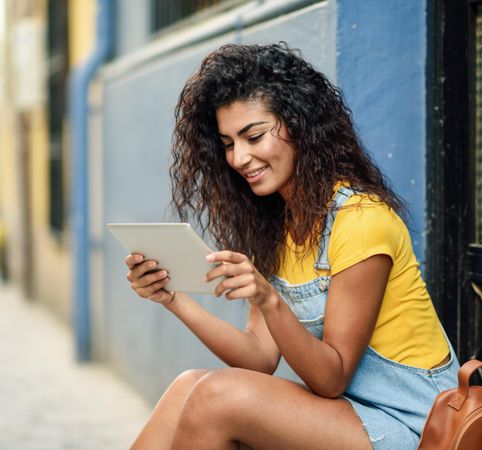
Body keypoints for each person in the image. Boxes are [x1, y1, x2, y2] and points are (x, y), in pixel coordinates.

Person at [123, 43, 459, 450]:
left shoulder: (360, 220)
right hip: (348, 414)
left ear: (299, 125)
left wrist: (269, 299)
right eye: (229, 144)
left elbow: (331, 378)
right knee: (188, 387)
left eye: (254, 136)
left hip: (415, 423)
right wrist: (173, 299)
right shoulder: (276, 228)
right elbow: (259, 358)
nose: (240, 158)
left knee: (216, 396)